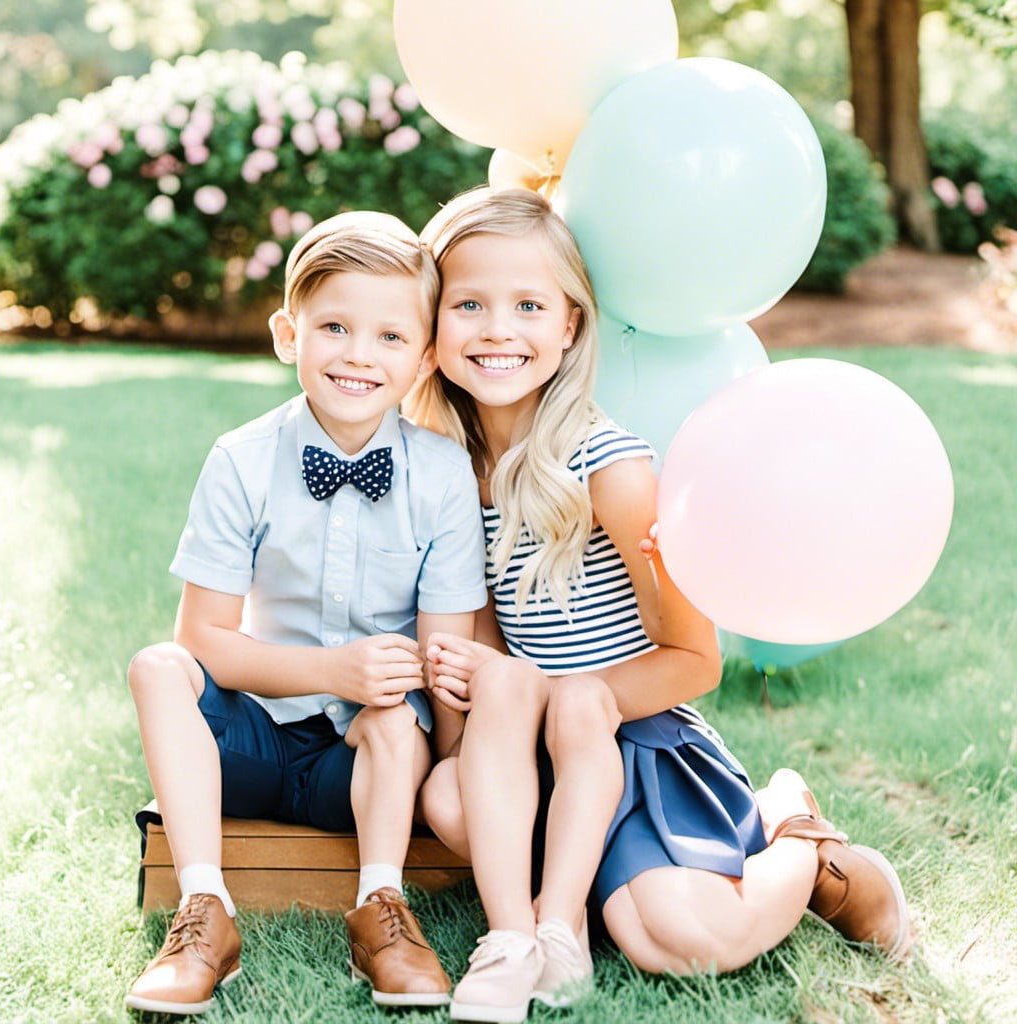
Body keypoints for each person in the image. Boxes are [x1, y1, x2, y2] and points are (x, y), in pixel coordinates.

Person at [403, 187, 913, 1024]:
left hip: (641, 743)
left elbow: (695, 660)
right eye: (469, 304)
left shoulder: (612, 469)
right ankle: (558, 916)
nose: (499, 330)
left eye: (529, 305)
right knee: (452, 801)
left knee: (678, 942)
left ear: (569, 326)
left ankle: (793, 832)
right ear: (432, 323)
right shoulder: (445, 470)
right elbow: (487, 646)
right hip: (534, 744)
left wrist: (587, 699)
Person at [124, 211, 488, 1015]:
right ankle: (203, 913)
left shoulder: (441, 477)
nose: (359, 354)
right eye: (334, 326)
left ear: (425, 358)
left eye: (391, 337)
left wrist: (453, 774)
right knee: (157, 665)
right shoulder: (242, 461)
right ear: (290, 334)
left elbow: (443, 662)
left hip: (358, 767)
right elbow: (204, 640)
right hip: (249, 742)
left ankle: (383, 911)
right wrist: (331, 668)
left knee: (397, 713)